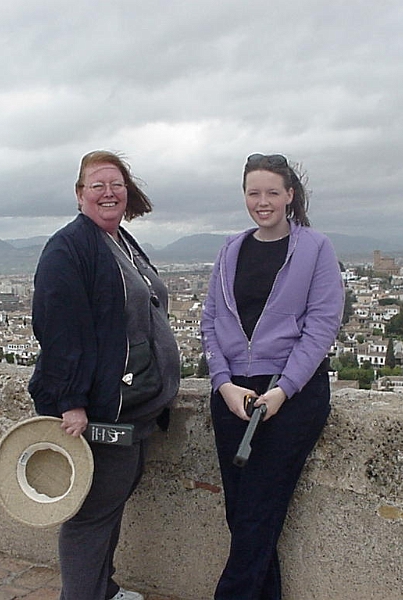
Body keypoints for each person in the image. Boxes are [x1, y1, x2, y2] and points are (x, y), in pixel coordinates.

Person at [28, 150, 180, 600]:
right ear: (79, 196)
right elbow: (58, 330)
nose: (108, 192)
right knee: (91, 514)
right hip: (99, 410)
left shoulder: (120, 241)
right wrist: (70, 401)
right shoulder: (69, 248)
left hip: (132, 404)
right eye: (97, 185)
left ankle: (103, 590)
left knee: (110, 504)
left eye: (116, 184)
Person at [201, 153, 344, 599]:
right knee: (242, 514)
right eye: (253, 193)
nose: (262, 202)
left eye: (271, 193)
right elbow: (210, 321)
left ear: (290, 196)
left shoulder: (315, 248)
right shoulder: (231, 248)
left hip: (292, 395)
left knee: (257, 514)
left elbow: (322, 326)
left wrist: (283, 390)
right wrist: (222, 383)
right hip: (234, 393)